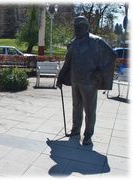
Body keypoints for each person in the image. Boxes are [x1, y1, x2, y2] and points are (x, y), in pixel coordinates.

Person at [57, 16, 116, 146]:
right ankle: (75, 130)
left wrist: (100, 72)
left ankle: (88, 135)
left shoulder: (97, 41)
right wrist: (60, 77)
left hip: (89, 82)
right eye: (75, 27)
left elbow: (111, 56)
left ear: (86, 27)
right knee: (76, 107)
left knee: (89, 110)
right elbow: (68, 62)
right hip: (75, 81)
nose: (76, 29)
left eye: (79, 27)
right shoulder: (73, 43)